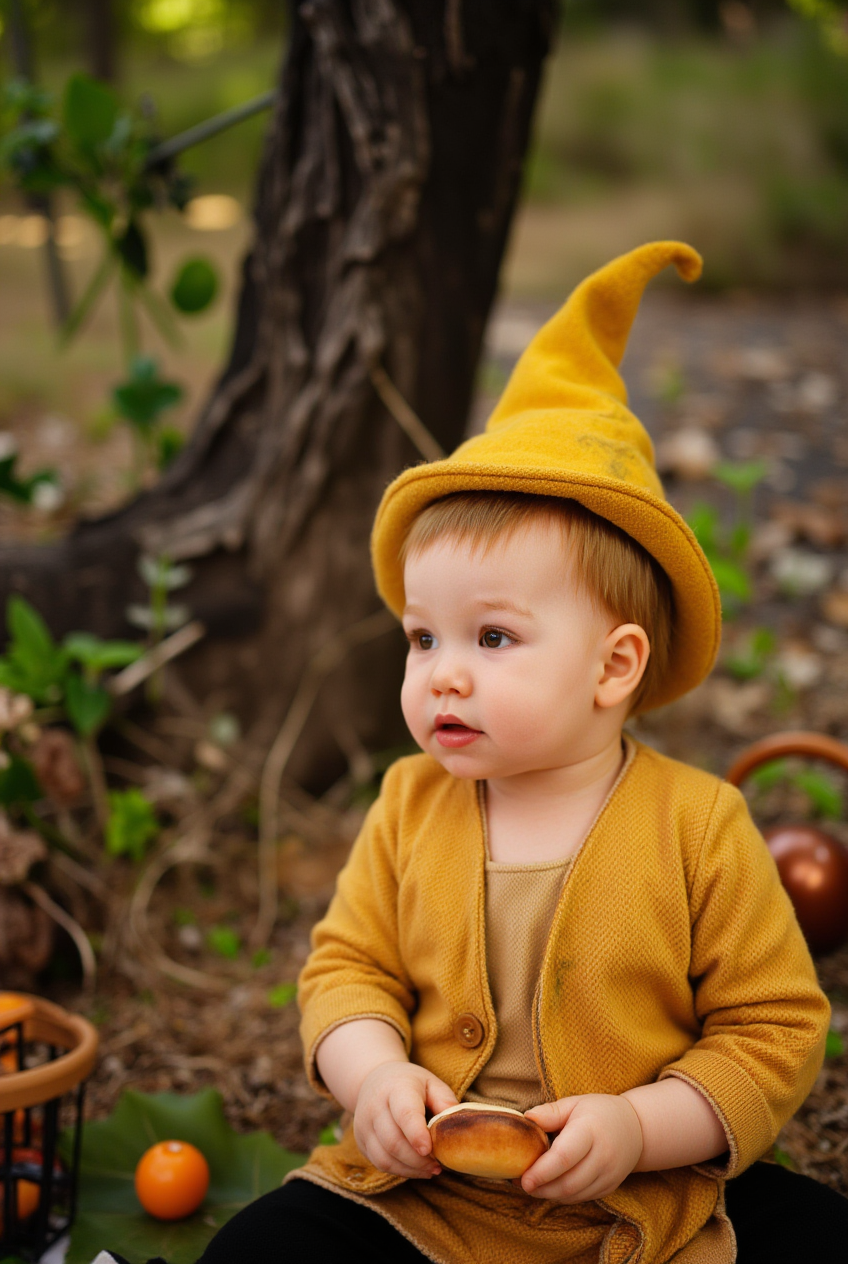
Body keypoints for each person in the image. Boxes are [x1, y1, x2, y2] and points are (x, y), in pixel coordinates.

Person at [120, 241, 848, 1264]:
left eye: (491, 637)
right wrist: (371, 1074)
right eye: (423, 638)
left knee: (814, 1233)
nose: (441, 673)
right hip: (426, 1203)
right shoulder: (409, 803)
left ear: (613, 665)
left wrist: (643, 1123)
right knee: (263, 1251)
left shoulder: (698, 825)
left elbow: (770, 1029)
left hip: (640, 1204)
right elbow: (346, 969)